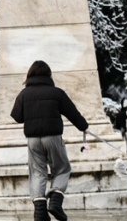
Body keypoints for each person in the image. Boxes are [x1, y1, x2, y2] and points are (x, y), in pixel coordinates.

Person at [11, 61, 89, 221]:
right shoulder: (56, 92)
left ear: (30, 75)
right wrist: (84, 127)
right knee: (61, 168)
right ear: (48, 75)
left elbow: (17, 117)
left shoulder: (23, 94)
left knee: (38, 173)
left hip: (33, 140)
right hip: (53, 137)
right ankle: (55, 199)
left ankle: (40, 210)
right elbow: (72, 112)